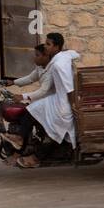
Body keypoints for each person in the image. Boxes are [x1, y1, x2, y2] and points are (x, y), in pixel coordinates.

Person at [17, 33, 80, 169]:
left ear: (56, 47)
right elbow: (74, 53)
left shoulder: (58, 64)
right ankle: (21, 140)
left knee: (34, 112)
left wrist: (74, 105)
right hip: (57, 100)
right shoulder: (61, 57)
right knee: (32, 109)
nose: (45, 46)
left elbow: (69, 88)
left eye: (48, 44)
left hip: (61, 104)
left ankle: (31, 152)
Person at [2, 44, 49, 152]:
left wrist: (22, 96)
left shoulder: (50, 71)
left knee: (28, 112)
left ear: (46, 56)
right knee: (22, 111)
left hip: (50, 102)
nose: (34, 58)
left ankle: (20, 139)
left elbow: (43, 91)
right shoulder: (41, 68)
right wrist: (13, 82)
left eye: (37, 55)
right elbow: (30, 78)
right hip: (43, 100)